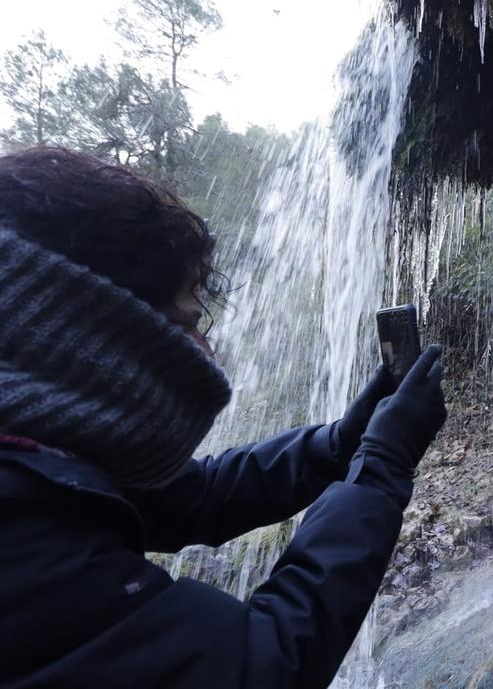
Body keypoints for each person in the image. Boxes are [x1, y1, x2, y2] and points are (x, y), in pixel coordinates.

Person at [0, 146, 447, 688]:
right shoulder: (25, 539)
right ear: (96, 337)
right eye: (187, 324)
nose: (206, 349)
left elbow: (189, 496)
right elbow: (263, 666)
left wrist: (339, 444)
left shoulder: (37, 463)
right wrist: (382, 465)